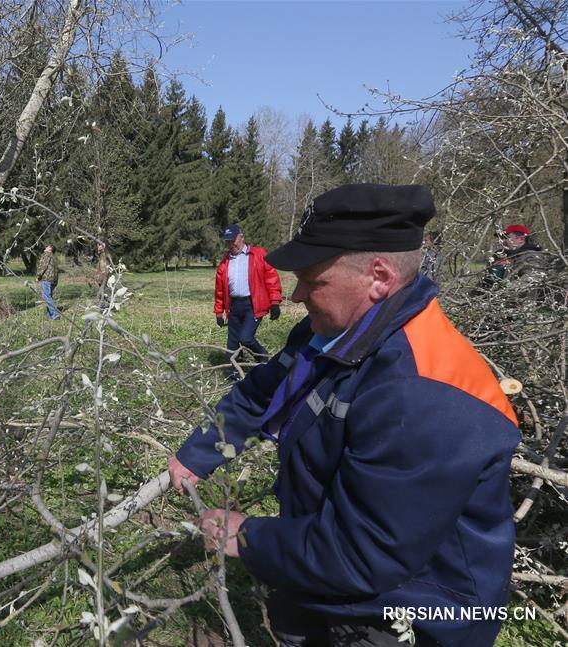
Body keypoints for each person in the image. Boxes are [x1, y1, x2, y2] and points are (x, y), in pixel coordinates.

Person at [169, 184, 520, 647]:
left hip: (410, 611)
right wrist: (201, 451)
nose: (295, 295)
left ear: (379, 277)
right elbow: (264, 390)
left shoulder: (424, 395)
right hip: (325, 561)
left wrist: (248, 537)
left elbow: (365, 552)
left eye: (312, 280)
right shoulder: (336, 330)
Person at [214, 224, 282, 365]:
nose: (231, 244)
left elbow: (272, 279)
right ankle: (234, 373)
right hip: (233, 305)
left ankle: (263, 357)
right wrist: (219, 312)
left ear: (242, 237)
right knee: (232, 343)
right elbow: (220, 290)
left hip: (253, 304)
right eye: (228, 241)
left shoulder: (258, 254)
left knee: (245, 338)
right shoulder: (225, 262)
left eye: (234, 240)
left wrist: (275, 302)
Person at [36, 243, 60, 320]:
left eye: (47, 246)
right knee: (49, 296)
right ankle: (50, 316)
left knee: (47, 296)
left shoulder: (46, 254)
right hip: (54, 279)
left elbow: (43, 266)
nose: (45, 247)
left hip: (46, 279)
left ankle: (55, 314)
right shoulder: (54, 257)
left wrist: (38, 275)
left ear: (50, 248)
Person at [94, 242, 113, 307]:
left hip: (106, 276)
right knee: (101, 290)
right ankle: (103, 303)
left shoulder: (106, 254)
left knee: (105, 290)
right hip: (100, 276)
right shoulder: (100, 255)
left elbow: (110, 264)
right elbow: (99, 266)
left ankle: (108, 304)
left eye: (99, 246)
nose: (98, 247)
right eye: (98, 246)